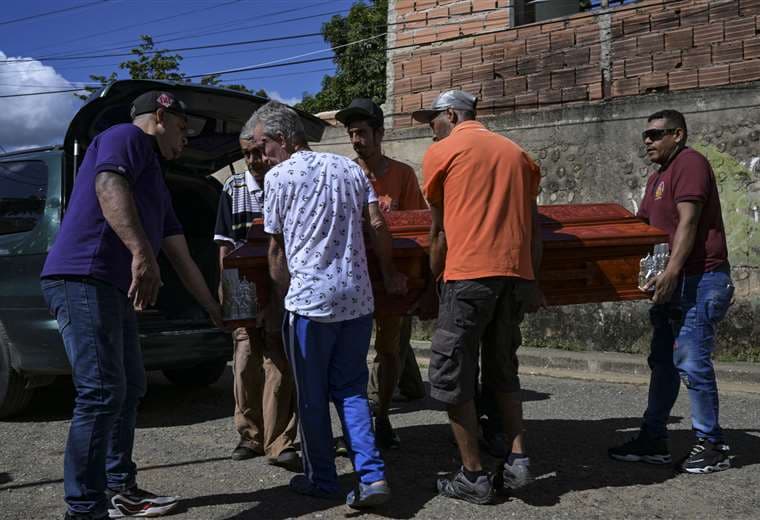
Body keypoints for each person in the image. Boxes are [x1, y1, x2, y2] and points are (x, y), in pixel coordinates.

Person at [40, 91, 225, 520]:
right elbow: (108, 185)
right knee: (101, 392)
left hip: (110, 287)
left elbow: (178, 254)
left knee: (129, 388)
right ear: (160, 117)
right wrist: (141, 253)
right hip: (81, 277)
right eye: (182, 129)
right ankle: (84, 509)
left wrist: (212, 308)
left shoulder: (157, 182)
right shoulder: (125, 137)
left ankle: (119, 488)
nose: (186, 141)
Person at [252, 101, 406, 508]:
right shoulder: (349, 168)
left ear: (283, 139)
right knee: (352, 391)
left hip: (310, 306)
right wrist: (389, 273)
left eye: (263, 144)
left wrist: (284, 297)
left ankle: (322, 479)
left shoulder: (278, 177)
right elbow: (376, 225)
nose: (261, 154)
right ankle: (372, 477)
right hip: (357, 300)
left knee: (311, 396)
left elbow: (275, 251)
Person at [412, 90, 543, 504]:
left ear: (451, 114)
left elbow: (440, 233)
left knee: (453, 376)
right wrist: (532, 279)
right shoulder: (518, 154)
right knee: (503, 368)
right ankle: (518, 460)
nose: (431, 129)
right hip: (514, 277)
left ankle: (472, 474)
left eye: (433, 119)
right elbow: (534, 227)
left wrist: (428, 284)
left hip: (468, 276)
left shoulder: (443, 152)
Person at [608, 110, 735, 473]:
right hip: (673, 282)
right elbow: (642, 228)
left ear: (678, 134)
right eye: (645, 135)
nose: (648, 141)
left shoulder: (690, 163)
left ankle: (712, 445)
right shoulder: (657, 177)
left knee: (692, 363)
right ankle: (653, 439)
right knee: (663, 363)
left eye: (656, 134)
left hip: (700, 279)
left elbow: (689, 221)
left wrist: (672, 271)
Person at [334, 98, 428, 451]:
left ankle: (382, 415)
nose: (356, 140)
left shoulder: (402, 175)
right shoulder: (344, 173)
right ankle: (356, 424)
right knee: (351, 354)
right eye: (351, 134)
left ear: (379, 134)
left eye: (362, 133)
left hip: (393, 281)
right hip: (353, 279)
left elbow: (419, 227)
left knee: (389, 351)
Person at [213, 121, 298, 470]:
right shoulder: (232, 188)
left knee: (278, 358)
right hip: (242, 283)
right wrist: (226, 290)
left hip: (279, 283)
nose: (253, 160)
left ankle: (280, 441)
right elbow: (223, 245)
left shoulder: (286, 181)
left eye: (257, 152)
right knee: (246, 357)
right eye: (246, 154)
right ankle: (249, 434)